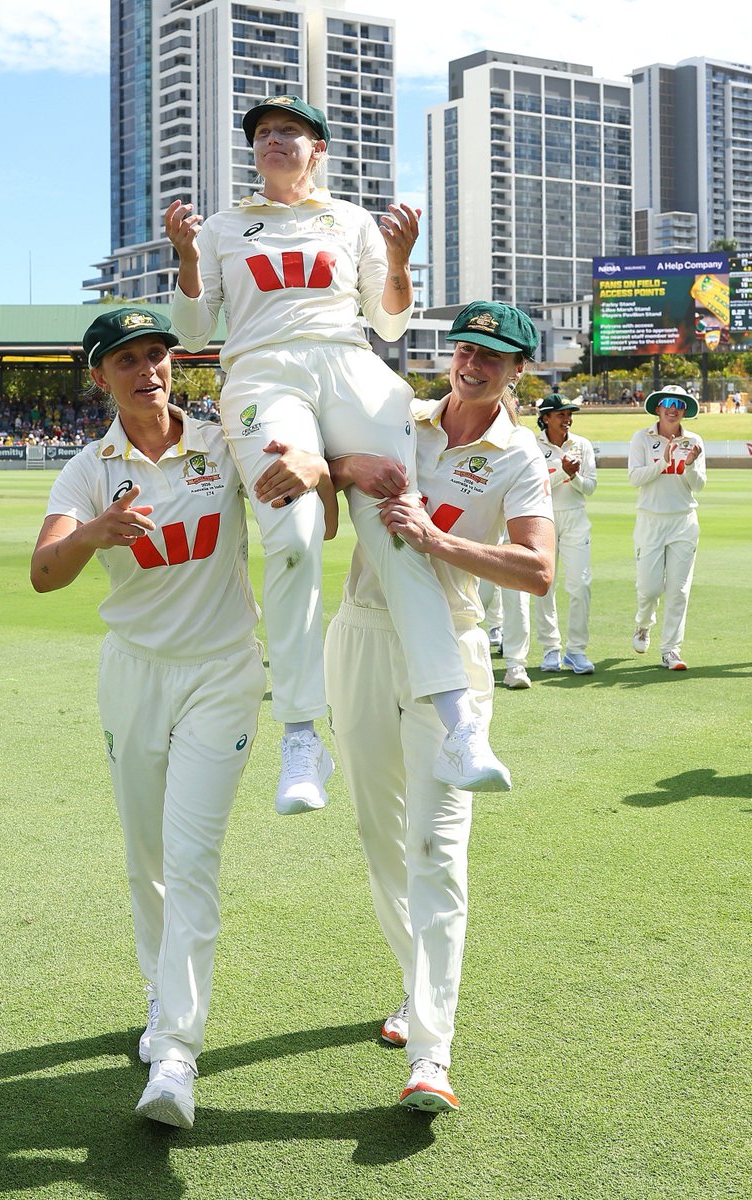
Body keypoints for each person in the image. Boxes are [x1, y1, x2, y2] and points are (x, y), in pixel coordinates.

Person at [30, 307, 334, 1130]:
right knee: (147, 858)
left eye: (158, 354)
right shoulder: (89, 469)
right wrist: (95, 533)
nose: (148, 370)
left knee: (193, 855)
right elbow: (44, 573)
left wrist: (314, 466)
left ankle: (175, 1052)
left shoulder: (222, 442)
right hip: (133, 675)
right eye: (127, 359)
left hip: (223, 674)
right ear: (100, 376)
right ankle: (161, 990)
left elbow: (316, 516)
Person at [166, 94, 510, 812]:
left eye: (289, 131)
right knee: (292, 536)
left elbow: (390, 321)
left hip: (351, 364)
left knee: (401, 528)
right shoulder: (224, 226)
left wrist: (399, 259)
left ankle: (459, 723)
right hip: (263, 372)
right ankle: (301, 737)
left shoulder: (351, 220)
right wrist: (187, 260)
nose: (273, 140)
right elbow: (194, 331)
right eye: (263, 133)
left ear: (317, 149)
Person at [325, 302, 555, 1111]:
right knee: (380, 837)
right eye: (465, 349)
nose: (473, 364)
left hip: (452, 649)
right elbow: (322, 473)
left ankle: (432, 1054)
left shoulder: (519, 455)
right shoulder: (401, 419)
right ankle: (414, 984)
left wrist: (438, 540)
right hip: (359, 633)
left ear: (518, 370)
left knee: (438, 848)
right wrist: (348, 468)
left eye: (493, 356)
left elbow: (538, 571)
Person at [627, 385, 705, 670]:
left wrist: (690, 465)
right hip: (650, 520)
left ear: (685, 410)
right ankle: (643, 625)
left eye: (680, 404)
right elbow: (635, 478)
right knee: (649, 589)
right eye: (669, 402)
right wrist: (664, 462)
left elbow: (699, 485)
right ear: (658, 407)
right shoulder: (642, 438)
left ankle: (671, 650)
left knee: (679, 591)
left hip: (683, 521)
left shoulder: (694, 440)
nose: (674, 408)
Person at [534, 394, 597, 674]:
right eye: (561, 414)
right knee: (545, 586)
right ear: (546, 417)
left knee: (580, 585)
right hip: (544, 518)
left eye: (570, 414)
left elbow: (590, 488)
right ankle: (550, 649)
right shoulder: (533, 446)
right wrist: (563, 472)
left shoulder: (582, 445)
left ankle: (576, 651)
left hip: (576, 518)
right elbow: (534, 487)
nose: (567, 419)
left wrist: (574, 476)